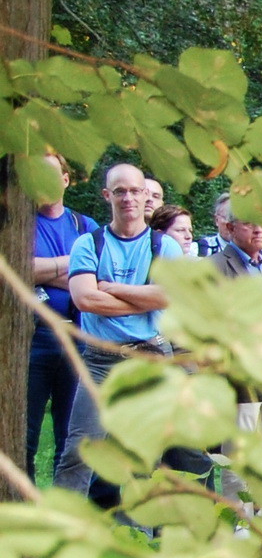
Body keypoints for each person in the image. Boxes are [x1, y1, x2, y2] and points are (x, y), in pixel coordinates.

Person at [55, 163, 187, 502]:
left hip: (150, 356)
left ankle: (136, 528)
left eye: (134, 191)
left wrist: (111, 288)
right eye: (120, 191)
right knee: (79, 450)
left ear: (146, 196)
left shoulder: (165, 246)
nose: (128, 198)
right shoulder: (89, 243)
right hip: (100, 360)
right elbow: (85, 299)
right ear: (107, 195)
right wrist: (145, 298)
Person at [28, 154, 95, 481]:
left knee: (71, 435)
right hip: (33, 339)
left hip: (78, 338)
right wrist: (72, 264)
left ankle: (63, 504)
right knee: (24, 433)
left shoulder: (84, 226)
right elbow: (17, 269)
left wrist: (43, 270)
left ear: (66, 180)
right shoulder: (19, 224)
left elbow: (98, 276)